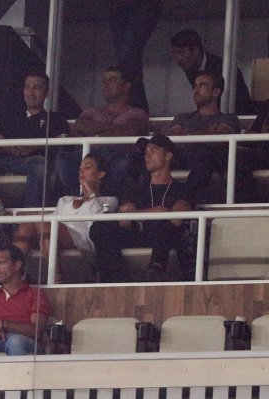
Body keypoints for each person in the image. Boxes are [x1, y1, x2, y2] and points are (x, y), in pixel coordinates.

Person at [89, 134, 192, 283]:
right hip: (141, 233)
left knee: (165, 226)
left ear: (168, 156)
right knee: (99, 228)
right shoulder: (137, 189)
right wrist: (158, 211)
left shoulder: (180, 188)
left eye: (153, 151)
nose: (147, 156)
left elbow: (177, 218)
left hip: (164, 236)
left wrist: (138, 214)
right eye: (146, 152)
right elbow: (124, 217)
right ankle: (117, 280)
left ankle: (154, 272)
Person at [12, 153, 118, 283]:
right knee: (27, 223)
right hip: (55, 235)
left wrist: (91, 193)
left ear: (101, 174)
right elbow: (49, 221)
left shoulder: (109, 200)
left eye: (87, 167)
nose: (81, 171)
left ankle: (56, 278)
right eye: (80, 168)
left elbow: (100, 222)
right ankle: (12, 275)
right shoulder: (65, 200)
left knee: (42, 223)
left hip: (83, 241)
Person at [0, 72, 70, 207]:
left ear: (46, 93)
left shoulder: (55, 119)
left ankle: (31, 215)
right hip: (6, 160)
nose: (30, 93)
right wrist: (8, 147)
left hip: (36, 161)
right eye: (27, 87)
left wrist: (36, 147)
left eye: (37, 88)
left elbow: (64, 143)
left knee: (39, 165)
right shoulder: (11, 117)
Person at [55, 67, 150, 197]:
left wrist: (95, 132)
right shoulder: (91, 111)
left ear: (126, 86)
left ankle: (100, 198)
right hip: (90, 156)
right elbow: (79, 126)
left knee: (124, 163)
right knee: (62, 161)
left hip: (118, 156)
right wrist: (114, 129)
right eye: (104, 81)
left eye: (112, 80)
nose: (106, 84)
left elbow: (131, 131)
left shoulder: (137, 113)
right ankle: (83, 198)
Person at [166, 71, 255, 203]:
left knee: (207, 155)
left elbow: (219, 140)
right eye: (195, 86)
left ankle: (184, 201)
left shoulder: (228, 118)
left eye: (202, 85)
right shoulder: (182, 117)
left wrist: (188, 133)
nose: (195, 91)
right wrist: (206, 132)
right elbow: (172, 139)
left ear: (216, 92)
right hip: (183, 157)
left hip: (211, 159)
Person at [0, 245, 51, 356]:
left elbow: (35, 330)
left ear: (17, 265)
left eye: (1, 263)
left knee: (15, 341)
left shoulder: (35, 294)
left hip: (27, 341)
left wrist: (3, 324)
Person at [170, 29, 255, 115]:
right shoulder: (190, 67)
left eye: (181, 52)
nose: (178, 58)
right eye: (175, 54)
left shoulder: (224, 68)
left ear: (195, 50)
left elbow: (243, 104)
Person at [109, 0, 163, 113]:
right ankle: (136, 112)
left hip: (139, 6)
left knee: (128, 59)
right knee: (127, 60)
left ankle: (137, 112)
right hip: (120, 7)